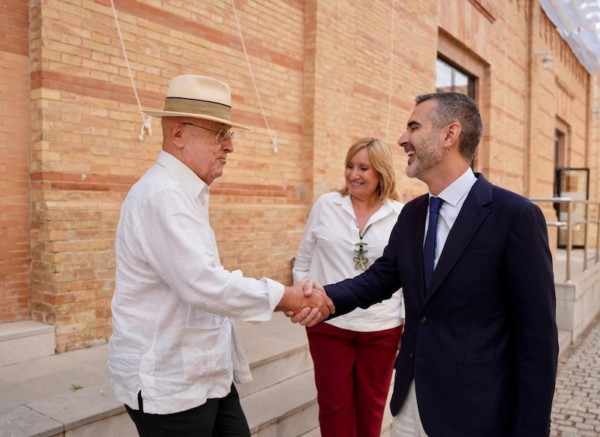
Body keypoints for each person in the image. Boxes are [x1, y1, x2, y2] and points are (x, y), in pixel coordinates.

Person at [294, 92, 559, 436]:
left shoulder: (515, 216)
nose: (402, 139)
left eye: (414, 127)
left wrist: (531, 429)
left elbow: (537, 339)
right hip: (411, 404)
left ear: (449, 135)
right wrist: (323, 297)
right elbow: (380, 279)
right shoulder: (412, 213)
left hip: (477, 412)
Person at [107, 74, 334, 437]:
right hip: (171, 384)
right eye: (220, 134)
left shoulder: (185, 192)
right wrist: (287, 297)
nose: (230, 146)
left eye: (229, 134)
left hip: (206, 374)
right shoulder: (162, 196)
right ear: (178, 134)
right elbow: (204, 284)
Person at [292, 137, 404, 437]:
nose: (354, 174)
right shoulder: (326, 205)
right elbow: (303, 259)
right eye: (350, 166)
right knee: (333, 406)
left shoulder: (400, 214)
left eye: (363, 168)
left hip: (381, 327)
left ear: (381, 172)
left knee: (371, 408)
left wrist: (405, 321)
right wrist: (303, 299)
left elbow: (405, 273)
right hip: (328, 323)